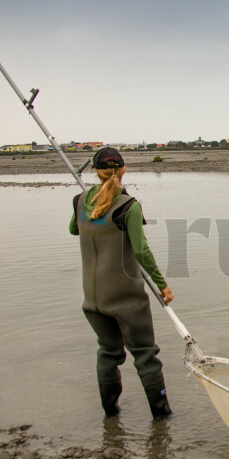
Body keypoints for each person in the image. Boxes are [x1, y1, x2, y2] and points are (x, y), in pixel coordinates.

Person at [69, 147, 174, 419]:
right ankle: (162, 418)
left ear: (96, 171)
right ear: (124, 169)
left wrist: (93, 210)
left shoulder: (79, 201)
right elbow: (141, 251)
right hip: (126, 299)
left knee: (108, 352)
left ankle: (111, 414)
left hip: (93, 299)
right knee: (145, 354)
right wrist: (162, 285)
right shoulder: (129, 206)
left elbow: (73, 229)